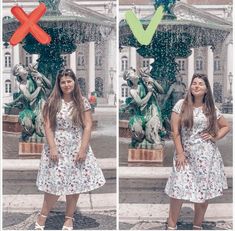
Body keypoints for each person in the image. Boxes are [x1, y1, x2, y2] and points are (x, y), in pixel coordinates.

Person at [35, 68, 106, 230]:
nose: (66, 84)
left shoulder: (82, 101)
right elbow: (47, 126)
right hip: (57, 148)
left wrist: (83, 149)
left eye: (69, 81)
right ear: (58, 84)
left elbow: (88, 126)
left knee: (74, 184)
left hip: (75, 147)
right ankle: (42, 216)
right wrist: (52, 147)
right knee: (54, 184)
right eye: (63, 82)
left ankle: (69, 218)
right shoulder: (52, 101)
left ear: (74, 82)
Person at [165, 73, 230, 230]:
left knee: (203, 192)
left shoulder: (211, 108)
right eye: (194, 83)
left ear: (206, 89)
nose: (197, 86)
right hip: (185, 155)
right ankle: (171, 225)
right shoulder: (181, 104)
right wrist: (180, 153)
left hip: (207, 156)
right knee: (177, 189)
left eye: (200, 83)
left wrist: (215, 136)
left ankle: (197, 225)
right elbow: (175, 131)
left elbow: (226, 126)